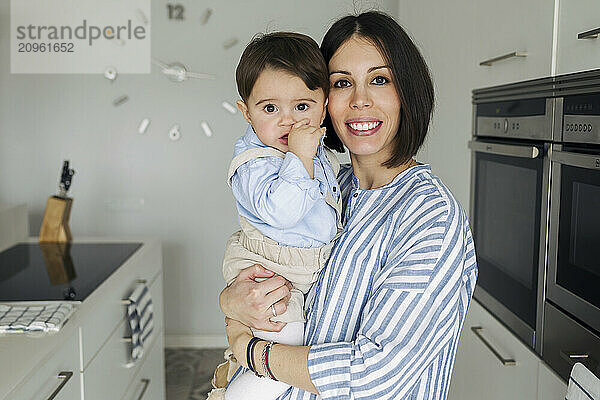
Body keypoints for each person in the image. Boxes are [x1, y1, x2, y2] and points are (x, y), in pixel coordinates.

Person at [220, 11, 478, 400]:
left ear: (407, 90)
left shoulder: (430, 216)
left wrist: (249, 350)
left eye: (380, 80)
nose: (360, 100)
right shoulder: (327, 187)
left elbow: (372, 374)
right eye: (342, 83)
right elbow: (267, 277)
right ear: (325, 103)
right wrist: (231, 302)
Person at [209, 32, 344, 400]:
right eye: (270, 109)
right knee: (284, 351)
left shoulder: (319, 155)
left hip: (300, 266)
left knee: (283, 341)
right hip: (272, 267)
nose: (288, 121)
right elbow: (283, 213)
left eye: (302, 107)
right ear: (246, 111)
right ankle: (235, 396)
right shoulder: (255, 162)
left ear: (324, 105)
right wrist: (300, 157)